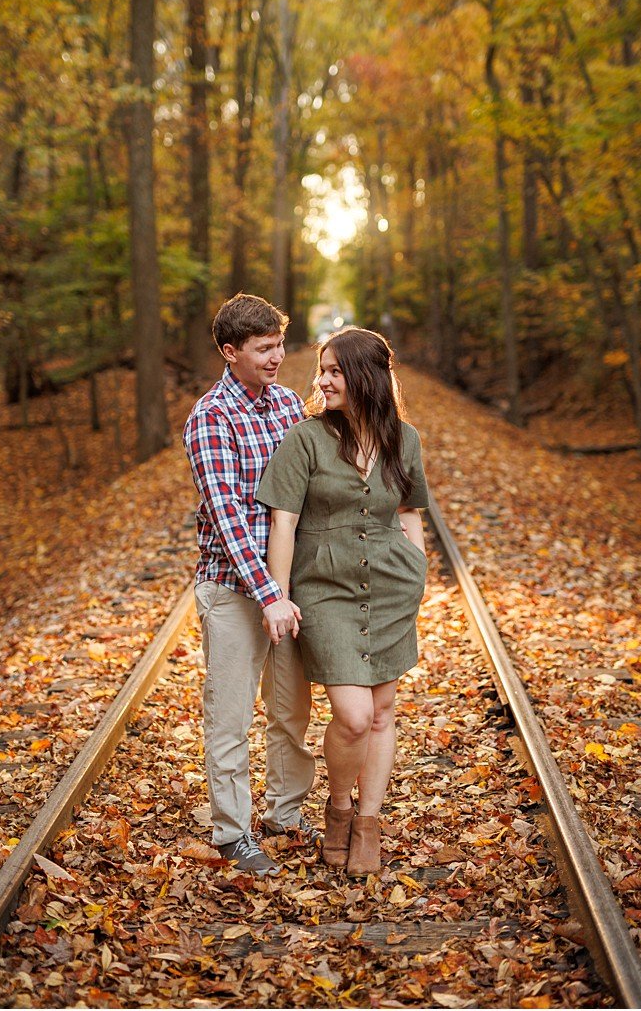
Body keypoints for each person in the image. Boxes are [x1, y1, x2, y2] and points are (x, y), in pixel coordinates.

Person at [257, 327, 430, 875]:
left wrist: (418, 574)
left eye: (333, 371)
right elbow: (283, 522)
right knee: (353, 716)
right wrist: (278, 598)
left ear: (365, 378)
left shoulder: (405, 440)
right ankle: (338, 806)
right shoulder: (306, 439)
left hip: (390, 586)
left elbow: (408, 514)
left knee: (382, 713)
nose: (321, 379)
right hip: (323, 588)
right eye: (322, 370)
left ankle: (369, 825)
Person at [182, 294, 315, 876]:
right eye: (263, 349)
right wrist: (269, 596)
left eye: (279, 345)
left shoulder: (288, 403)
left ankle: (285, 812)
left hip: (286, 587)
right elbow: (229, 516)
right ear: (229, 352)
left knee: (289, 710)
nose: (277, 358)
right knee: (230, 716)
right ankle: (232, 832)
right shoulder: (210, 418)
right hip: (235, 590)